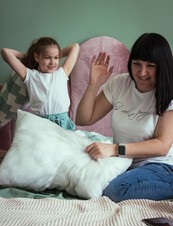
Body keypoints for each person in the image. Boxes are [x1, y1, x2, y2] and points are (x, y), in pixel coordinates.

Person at [76, 33, 173, 202]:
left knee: (116, 191)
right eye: (137, 64)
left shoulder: (168, 93)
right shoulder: (120, 83)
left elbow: (162, 146)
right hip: (124, 165)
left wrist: (115, 149)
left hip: (161, 166)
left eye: (150, 66)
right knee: (87, 182)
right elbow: (84, 119)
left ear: (162, 66)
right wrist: (93, 84)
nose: (142, 73)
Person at [1, 37, 80, 130]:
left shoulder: (62, 73)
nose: (52, 62)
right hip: (41, 126)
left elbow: (75, 46)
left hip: (63, 125)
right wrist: (27, 56)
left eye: (56, 58)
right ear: (37, 57)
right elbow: (5, 51)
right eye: (47, 57)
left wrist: (54, 54)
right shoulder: (30, 75)